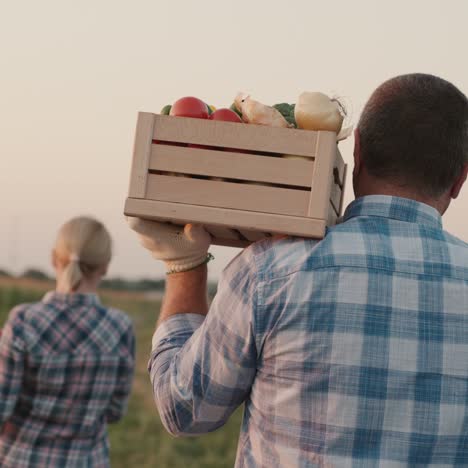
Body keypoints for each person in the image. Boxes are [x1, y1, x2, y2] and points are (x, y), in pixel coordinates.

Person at [129, 73, 468, 467]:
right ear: (460, 177)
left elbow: (183, 409)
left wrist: (184, 266)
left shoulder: (270, 271)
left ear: (356, 151)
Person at [0, 217, 135, 468]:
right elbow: (115, 412)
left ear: (54, 259)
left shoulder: (24, 321)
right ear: (104, 266)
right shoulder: (120, 326)